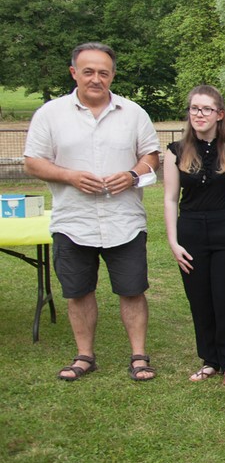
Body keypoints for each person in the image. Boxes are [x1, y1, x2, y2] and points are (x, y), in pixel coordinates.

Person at [24, 42, 160, 381]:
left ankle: (139, 356)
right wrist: (69, 176)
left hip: (124, 221)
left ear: (112, 75)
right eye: (88, 72)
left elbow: (151, 157)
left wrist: (132, 175)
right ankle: (85, 355)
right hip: (74, 221)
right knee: (78, 291)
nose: (96, 79)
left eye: (103, 72)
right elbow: (33, 162)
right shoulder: (50, 114)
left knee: (132, 289)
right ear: (74, 73)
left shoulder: (133, 113)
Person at [163, 85, 225, 386]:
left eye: (206, 109)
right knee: (199, 299)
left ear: (220, 114)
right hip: (191, 232)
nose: (199, 114)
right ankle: (209, 360)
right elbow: (169, 199)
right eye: (194, 108)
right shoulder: (176, 151)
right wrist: (173, 242)